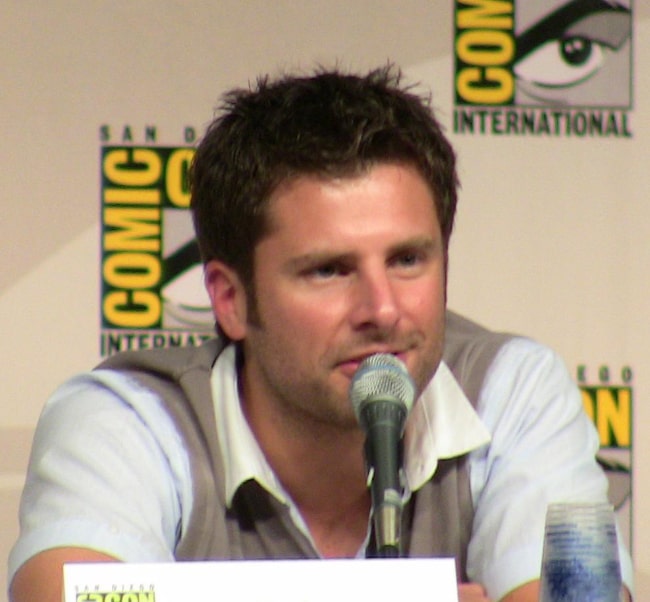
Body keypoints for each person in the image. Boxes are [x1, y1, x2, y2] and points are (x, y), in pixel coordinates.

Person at [8, 65, 633, 602]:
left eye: (408, 260)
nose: (382, 309)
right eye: (329, 270)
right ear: (229, 299)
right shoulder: (131, 417)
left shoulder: (512, 391)